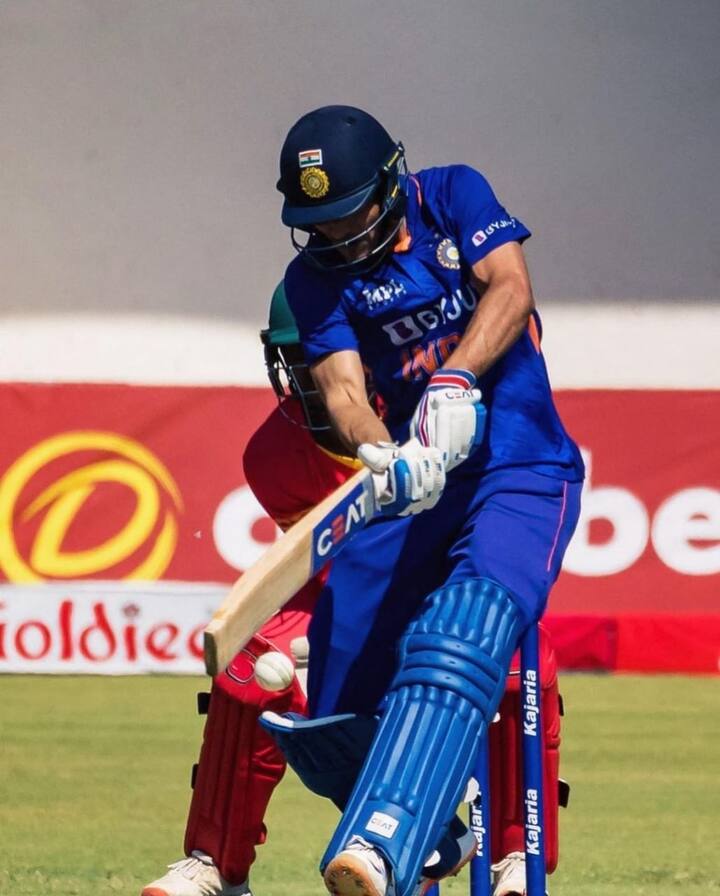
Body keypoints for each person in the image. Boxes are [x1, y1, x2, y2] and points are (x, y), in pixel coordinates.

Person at [142, 285, 567, 896]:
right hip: (347, 602)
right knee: (248, 662)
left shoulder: (453, 415)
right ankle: (215, 865)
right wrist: (324, 644)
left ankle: (513, 862)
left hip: (448, 588)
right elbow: (318, 574)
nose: (312, 380)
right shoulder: (276, 454)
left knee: (510, 659)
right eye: (301, 362)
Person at [275, 105, 584, 896]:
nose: (339, 240)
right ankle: (432, 840)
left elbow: (510, 290)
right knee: (334, 695)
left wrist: (454, 378)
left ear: (390, 185)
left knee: (462, 629)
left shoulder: (452, 196)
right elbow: (343, 387)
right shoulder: (312, 280)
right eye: (322, 226)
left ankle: (386, 838)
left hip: (521, 466)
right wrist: (382, 452)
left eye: (350, 218)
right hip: (423, 484)